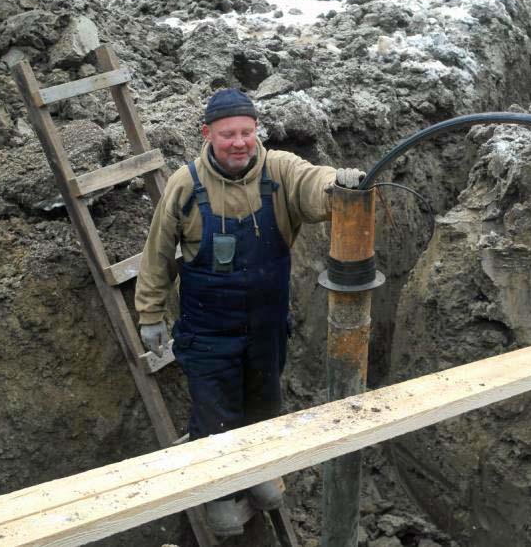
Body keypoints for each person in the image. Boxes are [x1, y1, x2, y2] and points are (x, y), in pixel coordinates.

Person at [134, 87, 364, 536]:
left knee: (263, 401)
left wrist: (338, 185)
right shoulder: (186, 186)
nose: (238, 142)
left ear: (256, 130)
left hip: (265, 325)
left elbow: (312, 180)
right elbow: (157, 253)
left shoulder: (277, 171)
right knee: (214, 413)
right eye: (227, 135)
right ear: (207, 134)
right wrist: (149, 314)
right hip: (208, 330)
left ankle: (257, 471)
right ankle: (219, 493)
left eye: (246, 132)